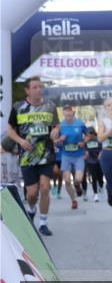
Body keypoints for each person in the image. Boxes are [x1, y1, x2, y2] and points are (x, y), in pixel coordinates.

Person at [6, 77, 60, 235]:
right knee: (31, 194)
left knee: (45, 188)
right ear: (27, 90)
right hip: (27, 156)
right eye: (35, 87)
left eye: (41, 87)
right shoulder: (18, 107)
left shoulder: (50, 106)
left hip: (46, 154)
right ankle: (31, 208)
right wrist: (20, 141)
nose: (39, 90)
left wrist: (56, 130)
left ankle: (43, 222)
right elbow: (10, 129)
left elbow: (56, 124)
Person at [56, 104, 87, 211]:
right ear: (63, 115)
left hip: (78, 155)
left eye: (70, 115)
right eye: (66, 116)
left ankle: (78, 186)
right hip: (66, 156)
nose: (68, 118)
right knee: (67, 181)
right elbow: (54, 142)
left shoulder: (80, 124)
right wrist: (60, 140)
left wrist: (84, 142)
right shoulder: (60, 126)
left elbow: (89, 136)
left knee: (78, 179)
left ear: (73, 113)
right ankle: (74, 200)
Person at [82, 127, 104, 201]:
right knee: (93, 177)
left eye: (91, 133)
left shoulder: (98, 140)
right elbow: (84, 150)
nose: (89, 135)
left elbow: (101, 150)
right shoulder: (85, 141)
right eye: (88, 134)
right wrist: (86, 153)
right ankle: (95, 194)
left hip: (98, 160)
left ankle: (100, 186)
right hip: (90, 161)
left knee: (100, 177)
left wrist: (100, 156)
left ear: (94, 133)